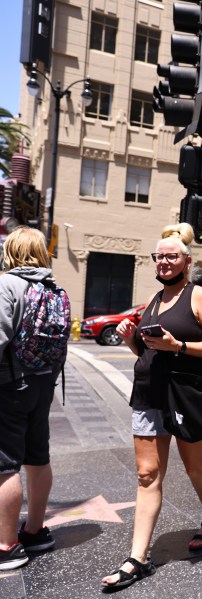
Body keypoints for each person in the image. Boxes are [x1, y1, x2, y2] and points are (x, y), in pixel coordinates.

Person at [101, 223, 202, 590]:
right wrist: (130, 341)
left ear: (187, 262)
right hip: (149, 394)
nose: (164, 262)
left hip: (186, 395)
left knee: (194, 466)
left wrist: (181, 347)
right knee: (147, 474)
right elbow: (150, 351)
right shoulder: (154, 301)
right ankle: (138, 557)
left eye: (172, 256)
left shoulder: (200, 296)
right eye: (159, 257)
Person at [0, 227, 65, 570]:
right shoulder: (55, 288)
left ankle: (6, 546)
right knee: (38, 457)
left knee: (5, 464)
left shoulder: (6, 285)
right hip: (43, 384)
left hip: (10, 384)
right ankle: (36, 532)